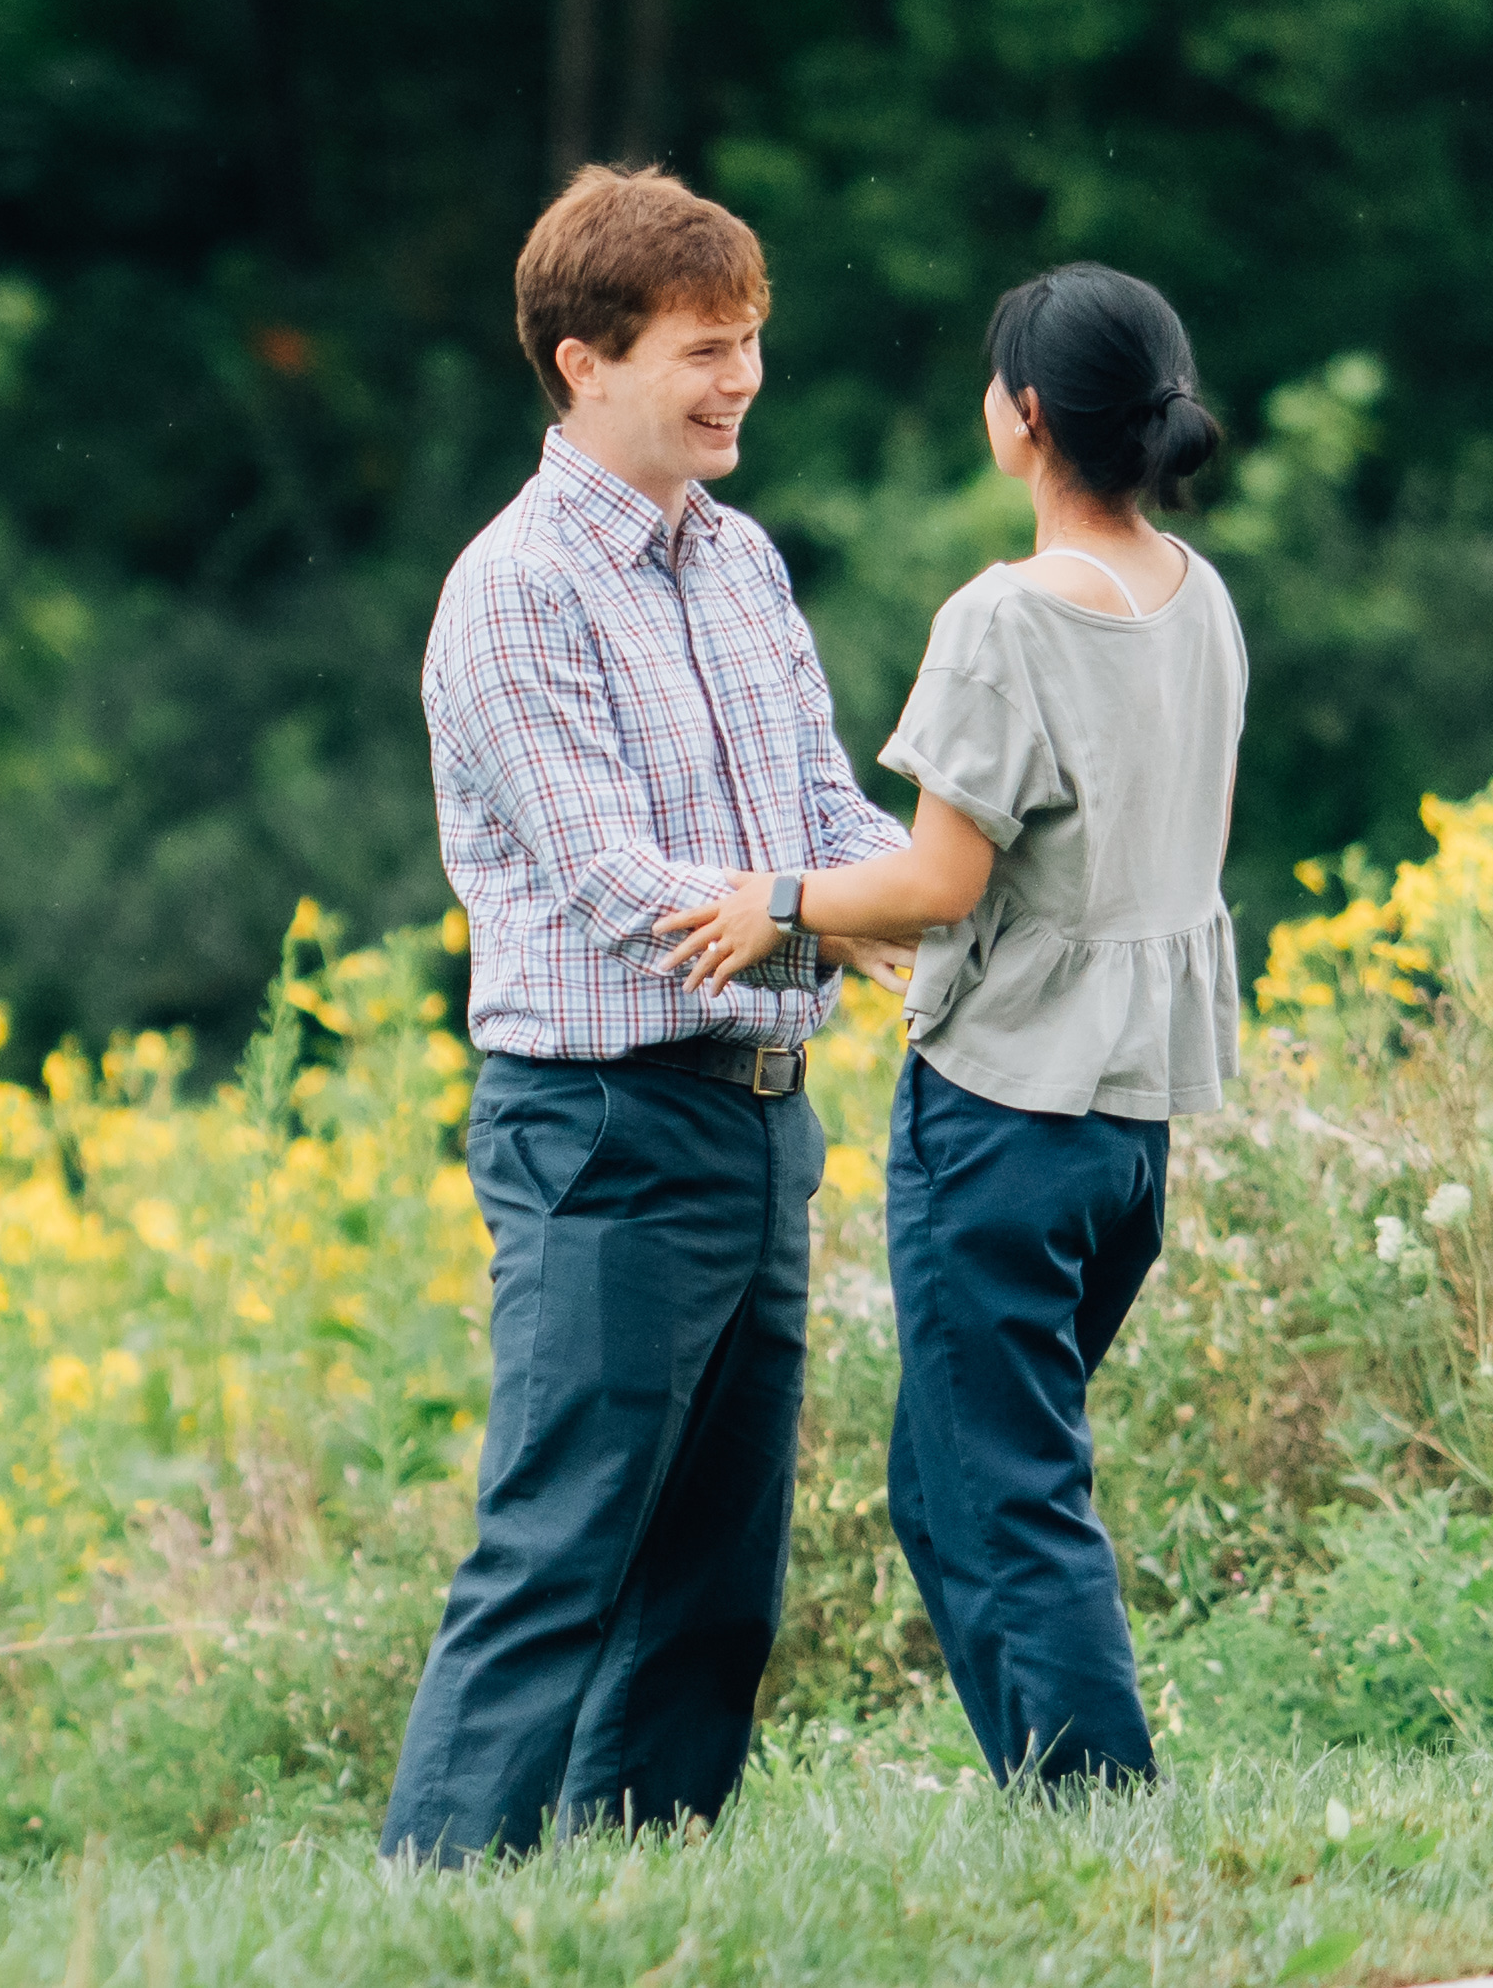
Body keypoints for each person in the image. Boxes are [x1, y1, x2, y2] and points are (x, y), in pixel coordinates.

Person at [378, 166, 911, 1866]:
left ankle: (638, 1889)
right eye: (700, 347)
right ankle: (437, 1901)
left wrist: (947, 892)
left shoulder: (741, 561)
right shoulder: (514, 588)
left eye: (748, 340)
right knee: (560, 1539)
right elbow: (628, 892)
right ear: (581, 362)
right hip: (600, 1124)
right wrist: (834, 927)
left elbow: (826, 816)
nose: (740, 377)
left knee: (718, 1566)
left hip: (760, 1115)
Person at [656, 260, 1240, 1791]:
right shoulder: (1196, 598)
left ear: (1024, 414)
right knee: (946, 1481)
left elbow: (934, 885)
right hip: (1127, 1128)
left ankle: (1094, 1805)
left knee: (1001, 1486)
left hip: (1002, 1116)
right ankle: (1058, 1790)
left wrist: (778, 900)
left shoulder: (1002, 617)